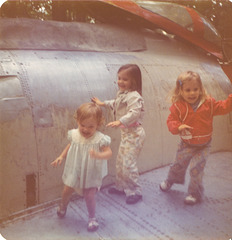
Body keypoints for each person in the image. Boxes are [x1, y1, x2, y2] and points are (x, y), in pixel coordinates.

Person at [159, 71, 232, 205]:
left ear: (200, 89)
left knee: (196, 170)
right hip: (186, 144)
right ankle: (170, 180)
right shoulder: (178, 106)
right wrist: (178, 126)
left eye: (195, 89)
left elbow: (224, 107)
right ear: (180, 90)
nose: (192, 93)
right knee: (177, 165)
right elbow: (171, 121)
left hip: (203, 145)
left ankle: (194, 193)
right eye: (187, 90)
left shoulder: (208, 103)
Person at [51, 102, 112, 232]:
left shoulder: (100, 139)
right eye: (82, 125)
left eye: (91, 126)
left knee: (89, 195)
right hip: (75, 168)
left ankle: (92, 218)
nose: (85, 129)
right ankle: (63, 206)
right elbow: (71, 145)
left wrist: (98, 155)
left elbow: (109, 153)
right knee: (67, 190)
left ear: (98, 124)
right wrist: (61, 156)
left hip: (90, 172)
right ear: (77, 121)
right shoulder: (74, 134)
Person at [92, 64, 145, 205]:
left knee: (128, 164)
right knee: (120, 162)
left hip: (134, 135)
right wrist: (102, 103)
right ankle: (122, 187)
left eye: (125, 79)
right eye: (119, 78)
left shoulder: (135, 96)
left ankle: (135, 191)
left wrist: (120, 121)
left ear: (134, 81)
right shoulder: (123, 93)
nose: (120, 82)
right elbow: (117, 103)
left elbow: (135, 112)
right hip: (127, 134)